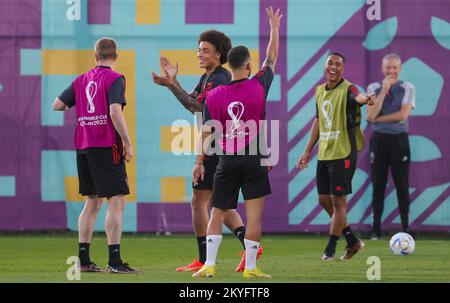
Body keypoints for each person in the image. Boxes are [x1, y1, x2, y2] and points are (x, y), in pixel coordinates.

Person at [152, 30, 261, 272]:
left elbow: (199, 109)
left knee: (201, 201)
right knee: (216, 202)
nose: (199, 54)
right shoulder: (207, 77)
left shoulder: (220, 78)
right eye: (199, 49)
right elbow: (192, 101)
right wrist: (173, 83)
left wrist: (172, 85)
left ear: (219, 54)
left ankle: (205, 260)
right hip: (214, 146)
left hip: (215, 145)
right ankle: (247, 244)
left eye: (205, 50)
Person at [192, 6, 282, 279]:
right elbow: (272, 56)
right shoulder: (258, 84)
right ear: (248, 66)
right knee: (253, 217)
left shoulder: (215, 95)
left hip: (226, 159)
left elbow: (207, 131)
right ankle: (251, 269)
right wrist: (274, 29)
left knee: (217, 212)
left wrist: (199, 162)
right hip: (254, 157)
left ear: (228, 65)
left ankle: (209, 264)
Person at [52, 37, 140, 274]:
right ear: (116, 56)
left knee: (92, 201)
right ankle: (115, 260)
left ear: (95, 56)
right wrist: (127, 142)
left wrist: (83, 109)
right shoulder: (115, 78)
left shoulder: (81, 80)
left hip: (83, 145)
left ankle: (84, 260)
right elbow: (114, 111)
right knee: (116, 200)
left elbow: (57, 105)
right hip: (105, 145)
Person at [296, 52, 375, 260]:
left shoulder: (348, 89)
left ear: (343, 69)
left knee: (339, 202)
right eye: (330, 63)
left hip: (344, 152)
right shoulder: (319, 91)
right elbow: (319, 121)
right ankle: (352, 240)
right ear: (325, 66)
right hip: (325, 153)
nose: (333, 67)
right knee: (323, 199)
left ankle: (330, 248)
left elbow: (358, 96)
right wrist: (307, 151)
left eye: (338, 64)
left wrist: (365, 99)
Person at [366, 53, 415, 240]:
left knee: (402, 185)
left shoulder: (407, 88)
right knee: (378, 185)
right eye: (388, 68)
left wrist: (377, 119)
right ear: (382, 68)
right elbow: (370, 114)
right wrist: (384, 89)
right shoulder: (373, 88)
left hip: (399, 140)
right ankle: (375, 229)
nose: (392, 71)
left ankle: (405, 227)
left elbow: (402, 116)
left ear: (400, 68)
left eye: (395, 67)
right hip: (378, 140)